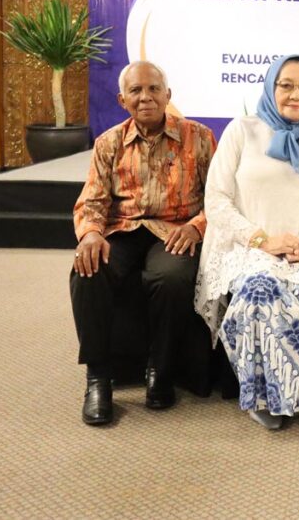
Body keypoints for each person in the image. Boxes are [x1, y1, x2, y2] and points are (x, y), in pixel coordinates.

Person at [194, 55, 299, 430]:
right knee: (259, 290)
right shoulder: (242, 131)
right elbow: (217, 200)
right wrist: (262, 240)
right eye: (287, 85)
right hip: (253, 250)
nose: (297, 95)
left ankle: (293, 394)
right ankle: (263, 396)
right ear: (270, 88)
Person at [71, 61, 217, 425]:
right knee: (88, 270)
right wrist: (91, 233)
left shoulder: (199, 137)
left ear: (168, 95)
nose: (146, 97)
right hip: (122, 230)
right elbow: (92, 200)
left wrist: (197, 227)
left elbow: (219, 198)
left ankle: (160, 370)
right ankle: (98, 378)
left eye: (153, 89)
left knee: (171, 278)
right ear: (122, 100)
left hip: (174, 230)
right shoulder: (108, 143)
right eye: (135, 91)